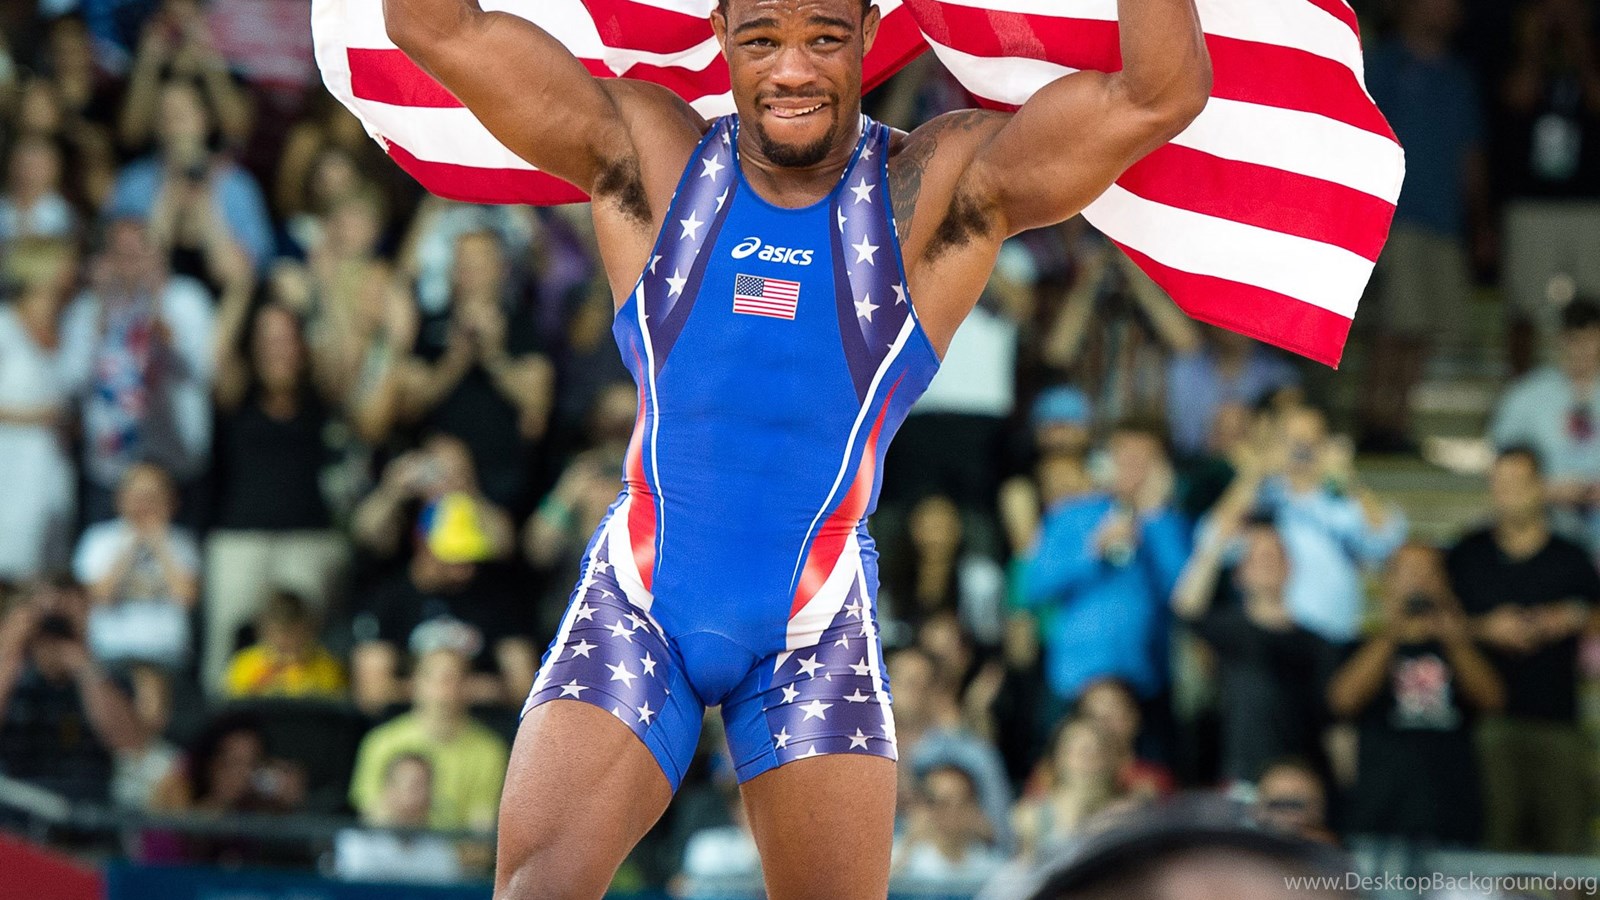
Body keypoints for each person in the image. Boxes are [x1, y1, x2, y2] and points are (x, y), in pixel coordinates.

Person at [382, 0, 1211, 894]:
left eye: (823, 37)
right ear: (718, 32)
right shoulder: (650, 156)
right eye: (762, 38)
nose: (792, 70)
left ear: (870, 33)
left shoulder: (932, 188)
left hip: (814, 633)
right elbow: (433, 27)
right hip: (640, 600)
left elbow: (1158, 96)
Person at [1444, 447, 1600, 854]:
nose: (1509, 493)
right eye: (1501, 483)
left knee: (1567, 849)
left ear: (1540, 487)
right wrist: (1485, 628)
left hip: (1558, 720)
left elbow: (1593, 614)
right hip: (1485, 723)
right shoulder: (1467, 554)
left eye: (1519, 482)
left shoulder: (1571, 556)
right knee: (1495, 845)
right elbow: (1438, 621)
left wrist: (1568, 617)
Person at [1327, 542, 1502, 850]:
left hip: (1452, 811)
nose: (1419, 580)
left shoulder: (1462, 648)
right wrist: (1392, 631)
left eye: (1429, 572)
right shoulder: (1361, 646)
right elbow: (1342, 701)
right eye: (1408, 571)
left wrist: (1453, 637)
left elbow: (1492, 700)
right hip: (1380, 810)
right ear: (1389, 582)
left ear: (1445, 583)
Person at [1019, 419, 1189, 711]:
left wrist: (1156, 518)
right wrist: (1092, 551)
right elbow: (1034, 586)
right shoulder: (1072, 514)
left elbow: (1183, 595)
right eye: (1125, 458)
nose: (1133, 469)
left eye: (1145, 461)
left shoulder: (1169, 524)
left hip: (1143, 683)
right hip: (1074, 680)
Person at [1172, 517, 1341, 785]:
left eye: (1274, 554)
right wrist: (1216, 545)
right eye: (1257, 556)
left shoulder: (1318, 644)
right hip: (1242, 780)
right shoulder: (1227, 630)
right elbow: (1185, 608)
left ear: (1290, 565)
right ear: (1239, 573)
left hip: (1300, 783)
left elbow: (1332, 723)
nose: (1267, 562)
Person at [0, 578, 143, 803]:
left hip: (87, 805)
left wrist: (83, 664)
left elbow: (130, 743)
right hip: (18, 803)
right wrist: (11, 647)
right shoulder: (13, 673)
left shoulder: (108, 676)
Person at [348, 642, 510, 832]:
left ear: (468, 686)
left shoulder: (490, 751)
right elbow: (370, 817)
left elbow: (481, 829)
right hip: (390, 847)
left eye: (453, 679)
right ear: (415, 683)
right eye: (434, 678)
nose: (443, 690)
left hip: (456, 851)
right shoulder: (380, 741)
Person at [1489, 297, 1600, 553]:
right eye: (1575, 340)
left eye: (1591, 340)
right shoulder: (1527, 394)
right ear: (1560, 340)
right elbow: (1500, 462)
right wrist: (1546, 489)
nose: (1583, 351)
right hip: (1543, 519)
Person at [0, 237, 78, 581]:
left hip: (53, 465)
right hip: (10, 465)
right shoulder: (4, 326)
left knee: (49, 570)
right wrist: (36, 416)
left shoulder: (69, 326)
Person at [1011, 718, 1133, 863]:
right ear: (1058, 757)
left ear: (1112, 759)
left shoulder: (1128, 815)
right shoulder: (1028, 816)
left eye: (1097, 751)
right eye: (1079, 751)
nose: (1088, 760)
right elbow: (1023, 871)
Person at [333, 753, 468, 884]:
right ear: (389, 788)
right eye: (414, 785)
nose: (422, 796)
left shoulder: (439, 850)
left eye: (427, 786)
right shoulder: (357, 843)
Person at [891, 763, 1008, 889]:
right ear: (925, 808)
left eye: (961, 802)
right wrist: (908, 846)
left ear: (974, 807)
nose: (953, 813)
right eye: (943, 803)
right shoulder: (902, 859)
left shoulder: (991, 868)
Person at [221, 590, 347, 700]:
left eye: (293, 634)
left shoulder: (328, 668)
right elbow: (232, 711)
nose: (285, 642)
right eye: (279, 633)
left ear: (309, 631)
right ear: (263, 631)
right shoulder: (243, 666)